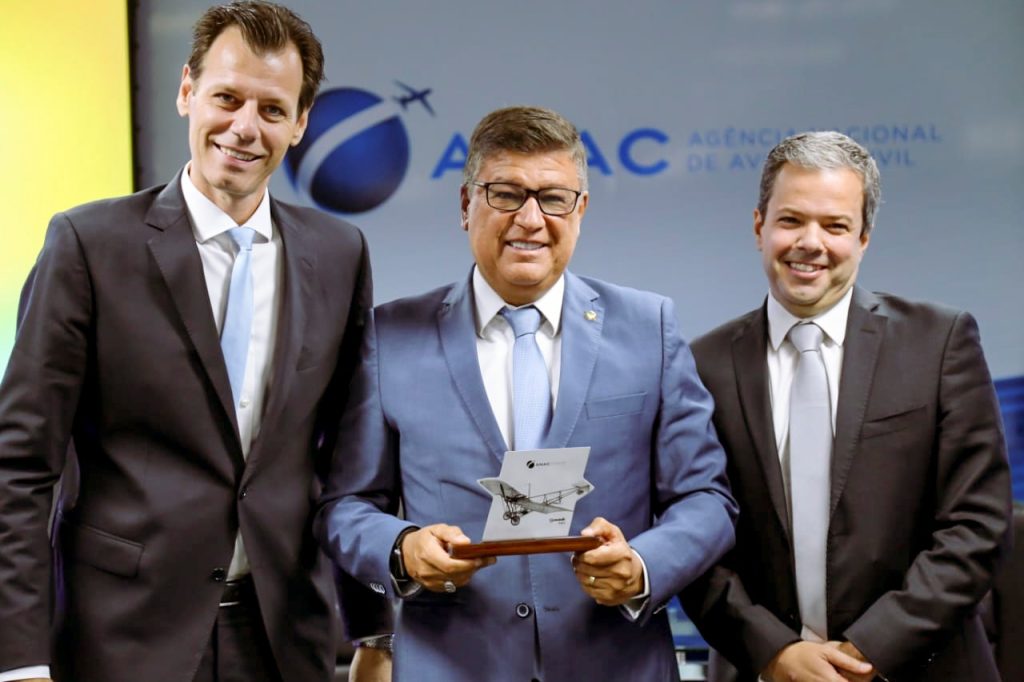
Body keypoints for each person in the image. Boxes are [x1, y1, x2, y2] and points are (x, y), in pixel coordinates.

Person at [0, 2, 390, 681]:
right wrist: (19, 661)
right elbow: (20, 466)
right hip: (120, 639)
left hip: (283, 641)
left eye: (272, 109)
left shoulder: (339, 253)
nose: (245, 127)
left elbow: (349, 464)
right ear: (187, 91)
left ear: (301, 124)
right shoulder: (89, 245)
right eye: (227, 98)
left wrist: (373, 632)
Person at [316, 105, 738, 682]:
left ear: (580, 210)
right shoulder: (391, 337)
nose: (531, 219)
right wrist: (402, 548)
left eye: (553, 198)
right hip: (452, 666)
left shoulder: (649, 328)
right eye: (506, 194)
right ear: (466, 205)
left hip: (616, 664)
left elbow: (707, 498)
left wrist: (643, 565)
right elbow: (344, 506)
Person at [680, 131, 1012, 681]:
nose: (810, 243)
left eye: (835, 226)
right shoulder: (702, 364)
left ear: (863, 237)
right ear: (759, 226)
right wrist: (775, 653)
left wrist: (867, 651)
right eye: (791, 220)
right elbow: (694, 537)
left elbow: (978, 524)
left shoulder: (939, 342)